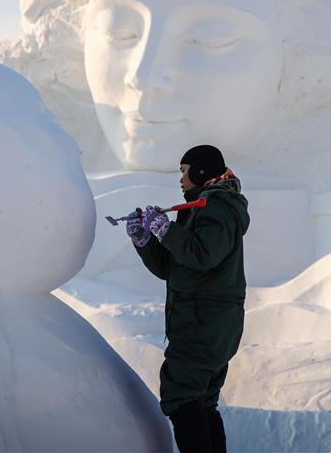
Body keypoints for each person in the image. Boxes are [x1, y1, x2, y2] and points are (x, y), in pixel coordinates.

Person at [125, 144, 249, 453]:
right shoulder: (201, 206)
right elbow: (175, 268)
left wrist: (165, 230)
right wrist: (146, 240)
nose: (180, 179)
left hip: (203, 323)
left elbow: (203, 254)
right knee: (201, 402)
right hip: (207, 323)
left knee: (180, 395)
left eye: (184, 171)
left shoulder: (217, 206)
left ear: (201, 170)